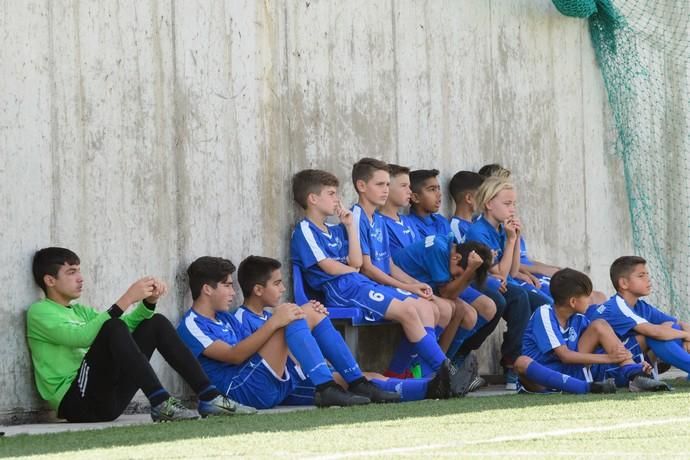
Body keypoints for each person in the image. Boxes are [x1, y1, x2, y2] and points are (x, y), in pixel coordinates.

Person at [289, 169, 467, 393]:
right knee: (410, 311)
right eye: (332, 193)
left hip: (357, 284)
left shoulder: (337, 229)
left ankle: (436, 374)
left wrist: (350, 226)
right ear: (313, 199)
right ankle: (443, 370)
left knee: (423, 306)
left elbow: (355, 261)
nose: (337, 199)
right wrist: (352, 268)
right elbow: (330, 266)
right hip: (341, 290)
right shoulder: (304, 229)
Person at [26, 247, 252, 423]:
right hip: (76, 402)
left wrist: (147, 302)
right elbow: (82, 337)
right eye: (71, 272)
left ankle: (210, 396)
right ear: (50, 280)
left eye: (79, 271)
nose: (80, 278)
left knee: (155, 323)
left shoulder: (80, 310)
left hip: (109, 402)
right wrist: (126, 299)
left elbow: (126, 326)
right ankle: (160, 401)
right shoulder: (39, 312)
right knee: (112, 327)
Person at [178, 256, 404, 409]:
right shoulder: (191, 324)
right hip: (240, 391)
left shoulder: (225, 318)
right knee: (293, 316)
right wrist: (278, 322)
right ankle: (326, 387)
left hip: (269, 381)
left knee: (369, 379)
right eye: (226, 285)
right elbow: (236, 356)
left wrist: (293, 321)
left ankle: (422, 386)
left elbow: (259, 349)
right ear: (207, 289)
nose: (232, 291)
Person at [233, 255, 454, 402]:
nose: (282, 288)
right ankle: (431, 388)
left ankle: (435, 385)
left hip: (304, 371)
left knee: (370, 376)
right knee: (356, 381)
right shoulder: (242, 318)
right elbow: (259, 359)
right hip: (291, 383)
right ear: (258, 290)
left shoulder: (270, 315)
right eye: (277, 283)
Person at [515, 268, 667, 393]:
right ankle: (588, 387)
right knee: (521, 362)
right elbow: (565, 355)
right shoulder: (545, 313)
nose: (591, 299)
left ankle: (635, 374)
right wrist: (610, 358)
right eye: (587, 296)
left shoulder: (578, 318)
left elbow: (601, 345)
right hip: (544, 375)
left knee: (599, 325)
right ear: (573, 302)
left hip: (573, 371)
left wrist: (630, 360)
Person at [586, 256, 690, 380]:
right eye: (641, 276)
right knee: (655, 335)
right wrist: (684, 335)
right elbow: (655, 332)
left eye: (647, 274)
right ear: (624, 283)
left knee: (673, 328)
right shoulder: (616, 307)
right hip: (606, 369)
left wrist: (686, 336)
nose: (648, 279)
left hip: (629, 360)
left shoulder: (641, 306)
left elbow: (679, 323)